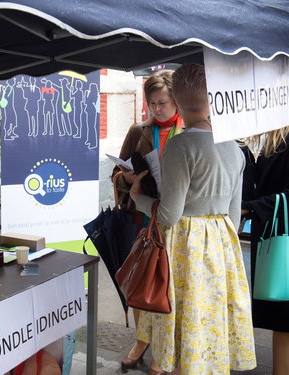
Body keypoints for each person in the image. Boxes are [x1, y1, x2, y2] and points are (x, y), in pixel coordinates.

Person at [130, 63, 256, 374]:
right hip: (220, 247)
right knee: (206, 322)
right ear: (213, 99)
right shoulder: (235, 149)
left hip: (183, 248)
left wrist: (138, 198)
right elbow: (233, 214)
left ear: (178, 101)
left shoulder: (180, 146)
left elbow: (170, 215)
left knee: (181, 319)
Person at [113, 70, 183, 370]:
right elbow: (116, 174)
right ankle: (142, 341)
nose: (156, 109)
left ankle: (169, 346)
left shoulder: (190, 131)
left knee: (172, 286)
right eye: (152, 102)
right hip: (144, 218)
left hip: (179, 221)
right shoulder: (137, 130)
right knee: (142, 280)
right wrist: (126, 177)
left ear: (177, 101)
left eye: (163, 102)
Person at [241, 126, 289, 375]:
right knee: (279, 310)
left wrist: (250, 208)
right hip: (272, 232)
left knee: (283, 314)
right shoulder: (253, 136)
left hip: (282, 235)